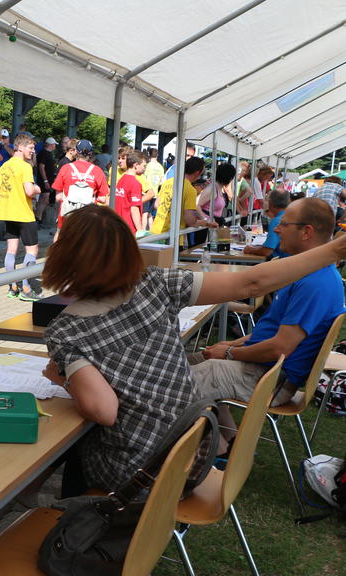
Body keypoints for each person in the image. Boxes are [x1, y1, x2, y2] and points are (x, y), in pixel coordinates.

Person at [41, 204, 346, 494]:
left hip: (143, 478)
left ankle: (76, 519)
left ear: (65, 257)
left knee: (74, 449)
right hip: (193, 459)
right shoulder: (158, 283)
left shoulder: (66, 331)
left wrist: (63, 377)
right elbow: (251, 283)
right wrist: (334, 250)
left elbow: (103, 411)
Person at [191, 197, 346, 450]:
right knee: (183, 363)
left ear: (306, 232)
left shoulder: (314, 281)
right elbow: (273, 332)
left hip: (270, 379)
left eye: (284, 224)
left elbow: (279, 348)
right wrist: (234, 344)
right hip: (265, 370)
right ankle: (229, 444)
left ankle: (209, 452)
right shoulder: (308, 273)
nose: (277, 229)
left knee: (178, 381)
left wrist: (229, 353)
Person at [0, 133, 42, 301]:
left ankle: (13, 287)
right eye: (31, 148)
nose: (33, 151)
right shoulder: (25, 167)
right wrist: (37, 189)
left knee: (11, 250)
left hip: (8, 213)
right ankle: (26, 289)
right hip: (24, 214)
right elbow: (29, 191)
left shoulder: (4, 166)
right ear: (20, 147)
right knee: (32, 250)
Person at [150, 156, 216, 242]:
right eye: (202, 173)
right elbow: (189, 220)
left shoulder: (168, 182)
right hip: (173, 238)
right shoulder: (190, 190)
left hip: (156, 233)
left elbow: (156, 205)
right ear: (197, 173)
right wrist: (205, 223)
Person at [53, 139, 108, 237]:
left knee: (60, 236)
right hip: (88, 216)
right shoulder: (98, 171)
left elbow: (58, 197)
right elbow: (103, 199)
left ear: (77, 152)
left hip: (67, 214)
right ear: (91, 153)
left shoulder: (66, 168)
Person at [193, 162, 237, 245]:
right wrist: (206, 220)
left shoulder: (218, 188)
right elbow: (196, 205)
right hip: (205, 229)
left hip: (212, 226)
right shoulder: (212, 189)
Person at [243, 189, 289, 258]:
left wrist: (250, 249)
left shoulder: (276, 221)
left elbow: (267, 251)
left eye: (266, 200)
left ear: (270, 203)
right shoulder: (290, 216)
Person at [114, 149, 145, 234]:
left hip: (118, 226)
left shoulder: (121, 180)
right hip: (129, 229)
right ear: (136, 165)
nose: (144, 169)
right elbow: (134, 209)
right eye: (143, 166)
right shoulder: (135, 183)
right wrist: (140, 230)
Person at [35, 136, 57, 227]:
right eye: (54, 144)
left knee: (43, 199)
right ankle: (38, 218)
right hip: (45, 180)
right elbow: (41, 166)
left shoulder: (48, 153)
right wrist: (45, 180)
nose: (55, 146)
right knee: (44, 198)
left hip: (47, 180)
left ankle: (38, 218)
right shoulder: (44, 153)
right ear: (51, 145)